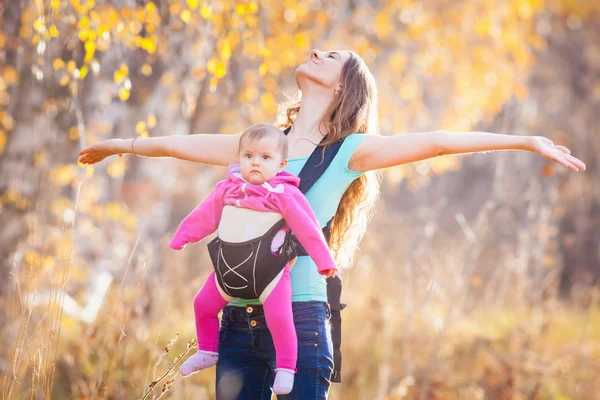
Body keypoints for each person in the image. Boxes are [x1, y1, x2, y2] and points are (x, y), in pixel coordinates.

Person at [78, 49, 585, 399]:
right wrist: (120, 147)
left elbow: (439, 141)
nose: (317, 53)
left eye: (332, 56)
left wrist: (524, 141)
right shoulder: (260, 146)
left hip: (300, 321)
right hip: (237, 323)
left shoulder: (349, 153)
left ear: (345, 84)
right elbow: (178, 145)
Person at [170, 123, 337, 395]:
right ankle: (208, 350)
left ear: (281, 164)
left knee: (280, 317)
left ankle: (285, 368)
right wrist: (183, 237)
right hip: (228, 273)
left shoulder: (283, 194)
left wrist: (324, 261)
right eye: (248, 156)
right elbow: (203, 217)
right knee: (202, 304)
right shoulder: (227, 189)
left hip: (269, 276)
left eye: (265, 158)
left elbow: (308, 228)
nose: (255, 163)